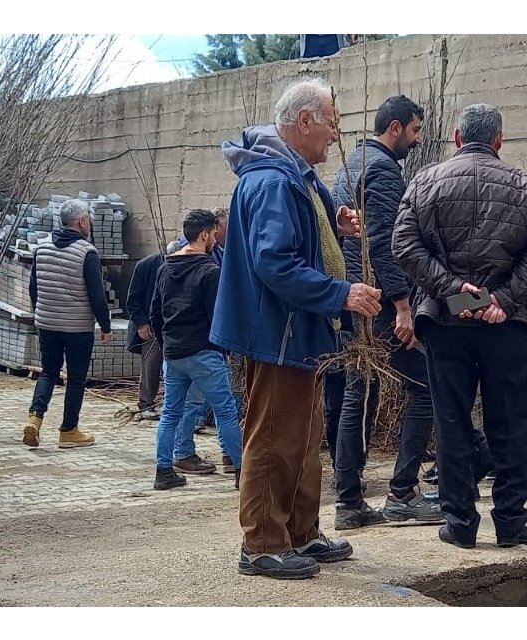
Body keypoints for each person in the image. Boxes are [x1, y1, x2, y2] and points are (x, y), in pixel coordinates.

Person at [213, 78, 382, 579]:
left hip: (300, 332)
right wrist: (343, 293)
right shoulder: (273, 181)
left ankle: (301, 533)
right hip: (277, 332)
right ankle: (263, 542)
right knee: (272, 438)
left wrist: (335, 221)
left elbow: (301, 236)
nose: (336, 133)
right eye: (331, 120)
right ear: (304, 121)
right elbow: (275, 263)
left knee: (305, 438)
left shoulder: (298, 179)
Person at [393, 103, 527, 549]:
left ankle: (460, 525)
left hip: (446, 322)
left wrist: (455, 292)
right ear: (499, 140)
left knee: (451, 421)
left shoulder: (424, 181)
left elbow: (403, 244)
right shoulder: (526, 185)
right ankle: (510, 523)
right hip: (505, 325)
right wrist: (501, 299)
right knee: (511, 423)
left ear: (456, 137)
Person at [328, 94, 442, 529]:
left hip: (357, 300)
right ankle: (397, 494)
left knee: (360, 393)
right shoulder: (382, 169)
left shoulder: (349, 164)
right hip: (376, 303)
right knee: (424, 386)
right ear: (394, 128)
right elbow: (383, 241)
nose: (418, 140)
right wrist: (401, 305)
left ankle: (351, 500)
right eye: (414, 131)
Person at [149, 209, 244, 490]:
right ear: (205, 234)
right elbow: (219, 317)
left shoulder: (165, 267)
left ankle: (164, 471)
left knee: (170, 413)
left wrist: (166, 343)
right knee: (226, 412)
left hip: (173, 353)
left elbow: (155, 312)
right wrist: (223, 348)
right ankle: (242, 472)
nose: (216, 239)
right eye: (214, 234)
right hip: (204, 352)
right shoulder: (210, 271)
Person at [21, 199, 113, 449]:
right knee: (76, 378)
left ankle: (35, 418)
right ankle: (68, 430)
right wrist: (105, 326)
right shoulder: (86, 252)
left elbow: (34, 287)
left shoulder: (42, 248)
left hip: (47, 323)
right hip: (77, 327)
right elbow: (97, 295)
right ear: (82, 221)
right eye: (88, 219)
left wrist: (40, 312)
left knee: (49, 372)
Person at [126, 241, 175, 421]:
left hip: (173, 324)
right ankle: (146, 403)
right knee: (151, 363)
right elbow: (133, 299)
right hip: (151, 324)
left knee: (174, 366)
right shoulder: (146, 266)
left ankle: (169, 403)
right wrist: (141, 323)